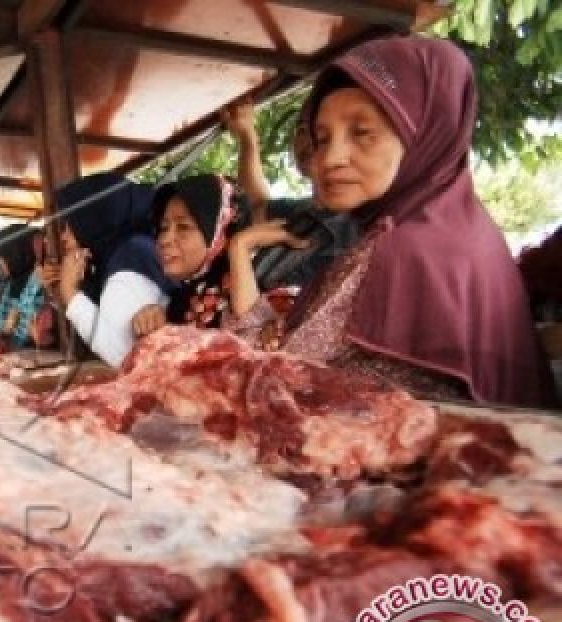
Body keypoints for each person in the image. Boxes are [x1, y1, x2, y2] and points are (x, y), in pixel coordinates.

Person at [225, 36, 554, 408]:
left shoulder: (408, 250)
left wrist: (263, 323)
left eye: (363, 133)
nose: (329, 158)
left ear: (425, 134)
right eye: (322, 137)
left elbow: (280, 388)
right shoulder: (450, 231)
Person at [222, 99, 358, 292]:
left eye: (320, 129)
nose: (308, 139)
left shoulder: (361, 231)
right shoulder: (301, 212)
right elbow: (257, 204)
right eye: (302, 129)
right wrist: (247, 137)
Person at [53, 172, 171, 367]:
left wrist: (70, 293)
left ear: (93, 219)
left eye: (70, 225)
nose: (64, 237)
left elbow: (122, 355)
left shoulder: (126, 266)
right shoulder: (131, 247)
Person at [129, 175, 258, 337]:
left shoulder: (261, 280)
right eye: (163, 228)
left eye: (183, 227)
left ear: (220, 232)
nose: (164, 240)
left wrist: (239, 245)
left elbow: (254, 339)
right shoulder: (180, 303)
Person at [0, 225, 50, 350]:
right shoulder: (10, 284)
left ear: (17, 253)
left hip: (35, 355)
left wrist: (7, 328)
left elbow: (30, 331)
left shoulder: (40, 281)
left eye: (2, 256)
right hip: (13, 353)